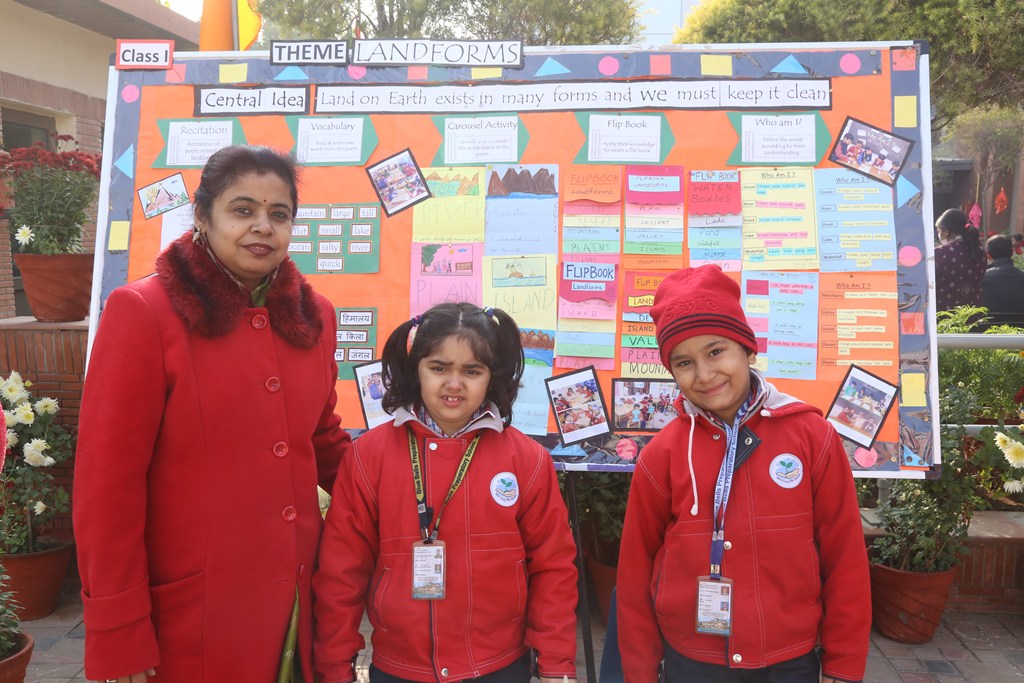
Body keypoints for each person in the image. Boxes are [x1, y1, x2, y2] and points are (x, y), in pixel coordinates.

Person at [73, 145, 351, 683]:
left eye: (279, 213)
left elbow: (321, 439)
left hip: (296, 602)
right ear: (202, 216)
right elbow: (106, 488)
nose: (262, 226)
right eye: (243, 210)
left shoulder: (313, 316)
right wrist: (117, 627)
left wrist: (406, 492)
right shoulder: (145, 312)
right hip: (194, 612)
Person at [615, 265, 870, 683]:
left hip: (789, 658)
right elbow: (635, 569)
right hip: (693, 659)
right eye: (684, 362)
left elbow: (845, 558)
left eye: (716, 352)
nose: (704, 375)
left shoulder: (812, 437)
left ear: (747, 350)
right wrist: (640, 671)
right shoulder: (661, 455)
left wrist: (843, 666)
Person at [313, 302, 579, 683]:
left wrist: (556, 664)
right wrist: (335, 666)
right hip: (400, 666)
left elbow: (553, 568)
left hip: (498, 665)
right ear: (415, 369)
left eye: (472, 371)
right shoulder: (368, 457)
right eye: (439, 368)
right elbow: (341, 571)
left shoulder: (527, 460)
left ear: (492, 377)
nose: (454, 384)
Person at [934, 208, 986, 312]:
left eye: (939, 230)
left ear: (946, 231)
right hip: (972, 314)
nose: (938, 234)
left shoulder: (939, 253)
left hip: (944, 316)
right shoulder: (980, 251)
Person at [980, 233, 1024, 327]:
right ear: (1012, 252)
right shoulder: (1021, 276)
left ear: (988, 254)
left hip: (986, 331)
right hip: (1019, 332)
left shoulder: (981, 278)